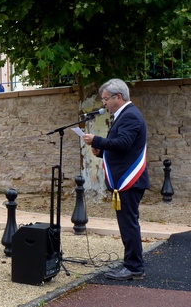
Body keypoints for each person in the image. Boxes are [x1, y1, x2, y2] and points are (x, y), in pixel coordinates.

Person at [82, 78, 149, 281]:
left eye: (105, 99)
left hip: (130, 180)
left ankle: (134, 267)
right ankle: (131, 263)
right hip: (124, 179)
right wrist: (101, 151)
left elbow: (123, 144)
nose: (104, 104)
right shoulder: (124, 115)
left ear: (118, 97)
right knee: (127, 223)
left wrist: (97, 140)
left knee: (129, 224)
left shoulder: (130, 116)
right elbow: (120, 148)